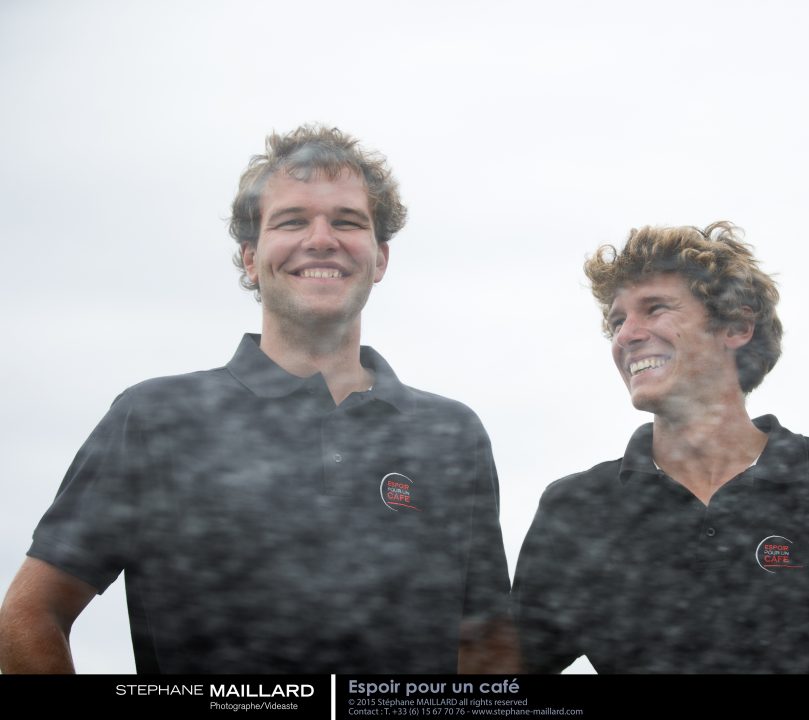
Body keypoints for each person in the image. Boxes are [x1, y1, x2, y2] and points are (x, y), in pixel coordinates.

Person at [0, 124, 512, 674]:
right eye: (292, 221)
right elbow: (28, 616)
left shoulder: (451, 434)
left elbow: (485, 648)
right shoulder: (156, 418)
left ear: (380, 257)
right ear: (250, 258)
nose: (321, 239)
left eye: (347, 221)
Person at [511, 222, 809, 673]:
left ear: (737, 326)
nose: (626, 335)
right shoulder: (578, 508)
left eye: (655, 308)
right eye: (617, 321)